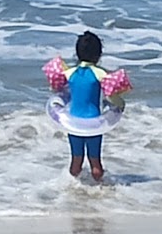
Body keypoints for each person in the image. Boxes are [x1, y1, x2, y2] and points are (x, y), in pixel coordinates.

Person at [44, 31, 131, 181]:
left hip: (73, 123)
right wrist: (120, 105)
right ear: (99, 55)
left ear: (77, 54)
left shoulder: (69, 73)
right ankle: (100, 190)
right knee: (95, 163)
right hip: (94, 124)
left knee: (76, 162)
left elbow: (56, 90)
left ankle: (74, 189)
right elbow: (111, 95)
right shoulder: (100, 74)